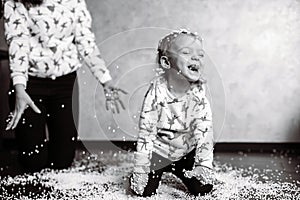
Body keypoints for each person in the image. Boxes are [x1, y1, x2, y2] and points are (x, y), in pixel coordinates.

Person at [3, 0, 126, 173]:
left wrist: (105, 79)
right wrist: (20, 88)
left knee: (62, 160)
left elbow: (85, 41)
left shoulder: (75, 1)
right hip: (29, 85)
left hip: (64, 84)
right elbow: (18, 43)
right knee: (32, 162)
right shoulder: (15, 3)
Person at [129, 29, 215, 197]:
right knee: (142, 191)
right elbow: (146, 133)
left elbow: (205, 131)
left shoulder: (198, 94)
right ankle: (142, 175)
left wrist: (203, 164)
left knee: (203, 188)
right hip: (158, 153)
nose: (196, 57)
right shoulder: (156, 93)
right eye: (186, 52)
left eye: (200, 54)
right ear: (166, 62)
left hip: (186, 153)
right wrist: (141, 170)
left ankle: (182, 169)